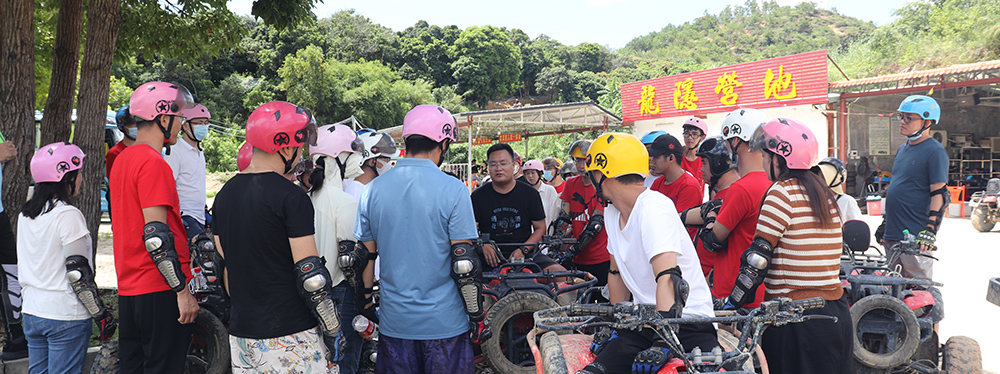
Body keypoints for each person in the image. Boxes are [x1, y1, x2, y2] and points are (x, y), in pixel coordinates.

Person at [215, 101, 344, 372]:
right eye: (301, 145)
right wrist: (333, 330)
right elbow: (311, 274)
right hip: (291, 331)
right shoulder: (291, 197)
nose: (301, 153)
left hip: (242, 332)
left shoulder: (224, 195)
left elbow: (224, 262)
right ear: (285, 145)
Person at [355, 105, 485, 374]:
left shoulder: (373, 190)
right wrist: (475, 313)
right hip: (446, 323)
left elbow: (364, 257)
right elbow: (465, 262)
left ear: (406, 140)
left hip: (395, 323)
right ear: (444, 142)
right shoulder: (454, 189)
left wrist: (366, 303)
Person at [577, 133, 717, 374]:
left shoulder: (653, 206)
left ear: (601, 173)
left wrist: (663, 341)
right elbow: (616, 273)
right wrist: (616, 325)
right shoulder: (612, 212)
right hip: (644, 322)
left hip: (687, 322)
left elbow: (669, 278)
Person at [723, 118, 853, 374]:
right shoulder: (823, 193)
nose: (762, 161)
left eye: (765, 155)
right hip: (835, 313)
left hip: (795, 318)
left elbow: (757, 260)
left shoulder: (781, 192)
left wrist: (733, 302)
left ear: (780, 159)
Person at [110, 81, 199, 372]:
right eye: (180, 118)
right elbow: (156, 237)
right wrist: (182, 291)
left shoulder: (123, 159)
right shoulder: (153, 163)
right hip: (159, 288)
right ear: (163, 118)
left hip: (129, 288)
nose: (181, 124)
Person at [19, 143, 116, 374]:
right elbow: (78, 273)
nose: (81, 178)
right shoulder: (67, 215)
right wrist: (101, 314)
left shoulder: (27, 213)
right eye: (78, 173)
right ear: (65, 178)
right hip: (64, 314)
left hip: (32, 311)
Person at [692, 108, 771, 309]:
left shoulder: (742, 188)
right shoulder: (773, 184)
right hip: (763, 293)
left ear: (736, 141)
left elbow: (712, 241)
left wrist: (710, 215)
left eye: (727, 142)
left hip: (733, 296)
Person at [307, 124, 367, 374]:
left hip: (314, 295)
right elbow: (354, 260)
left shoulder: (309, 197)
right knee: (345, 363)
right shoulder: (345, 202)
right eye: (353, 153)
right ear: (337, 158)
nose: (359, 160)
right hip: (342, 295)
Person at [881, 95, 949, 280]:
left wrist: (930, 229)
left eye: (909, 118)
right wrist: (886, 223)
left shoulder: (934, 151)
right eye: (901, 117)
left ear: (927, 122)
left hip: (914, 234)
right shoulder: (903, 149)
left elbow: (939, 193)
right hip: (893, 232)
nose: (902, 122)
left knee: (919, 290)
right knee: (892, 290)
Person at [472, 146, 565, 273]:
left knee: (561, 274)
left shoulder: (530, 194)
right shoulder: (478, 196)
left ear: (514, 166)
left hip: (526, 254)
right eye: (493, 164)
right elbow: (470, 229)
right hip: (489, 256)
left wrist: (524, 249)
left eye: (503, 163)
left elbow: (540, 228)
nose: (498, 168)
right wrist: (482, 244)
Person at [680, 135, 739, 277]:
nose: (701, 170)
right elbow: (694, 214)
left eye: (704, 163)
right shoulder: (724, 194)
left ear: (718, 163)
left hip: (714, 285)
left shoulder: (732, 195)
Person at [560, 140, 610, 286]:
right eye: (578, 161)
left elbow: (595, 225)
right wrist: (556, 241)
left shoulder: (603, 185)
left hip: (601, 257)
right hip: (578, 258)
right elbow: (563, 217)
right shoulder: (570, 184)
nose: (581, 166)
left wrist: (572, 251)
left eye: (585, 160)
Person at [164, 104, 210, 240]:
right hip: (185, 216)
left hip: (200, 215)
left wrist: (205, 210)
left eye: (206, 123)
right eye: (199, 123)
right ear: (185, 125)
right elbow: (168, 185)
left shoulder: (199, 152)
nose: (203, 127)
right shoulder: (175, 152)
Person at [647, 133, 704, 220]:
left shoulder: (688, 186)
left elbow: (678, 223)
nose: (652, 161)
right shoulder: (658, 182)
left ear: (671, 158)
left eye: (656, 157)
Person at [344, 129, 400, 201]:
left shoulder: (370, 188)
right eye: (387, 159)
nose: (389, 164)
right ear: (373, 160)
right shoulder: (356, 191)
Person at [818, 157, 862, 223]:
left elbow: (857, 226)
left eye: (823, 176)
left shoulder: (847, 201)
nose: (819, 179)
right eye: (818, 176)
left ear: (836, 177)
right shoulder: (815, 200)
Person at [523, 159, 562, 228]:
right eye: (527, 173)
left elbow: (555, 213)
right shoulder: (523, 191)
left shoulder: (549, 190)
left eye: (533, 173)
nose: (530, 176)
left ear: (539, 173)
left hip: (547, 232)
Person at [107, 106, 137, 177]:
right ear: (121, 127)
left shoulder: (147, 149)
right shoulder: (115, 153)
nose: (136, 128)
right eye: (131, 125)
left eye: (138, 125)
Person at [681, 117, 709, 186]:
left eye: (694, 134)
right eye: (686, 133)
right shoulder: (677, 154)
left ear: (702, 137)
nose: (689, 137)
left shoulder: (706, 158)